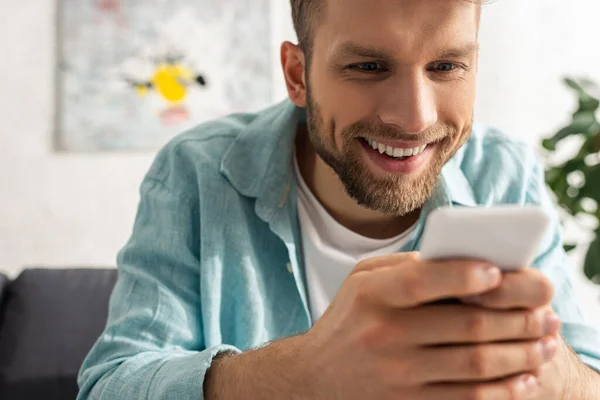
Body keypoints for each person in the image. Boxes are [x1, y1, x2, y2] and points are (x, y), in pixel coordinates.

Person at [77, 0, 600, 399]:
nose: (415, 118)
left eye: (445, 67)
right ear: (297, 75)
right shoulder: (196, 171)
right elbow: (110, 385)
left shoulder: (504, 172)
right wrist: (305, 372)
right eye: (369, 67)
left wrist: (538, 359)